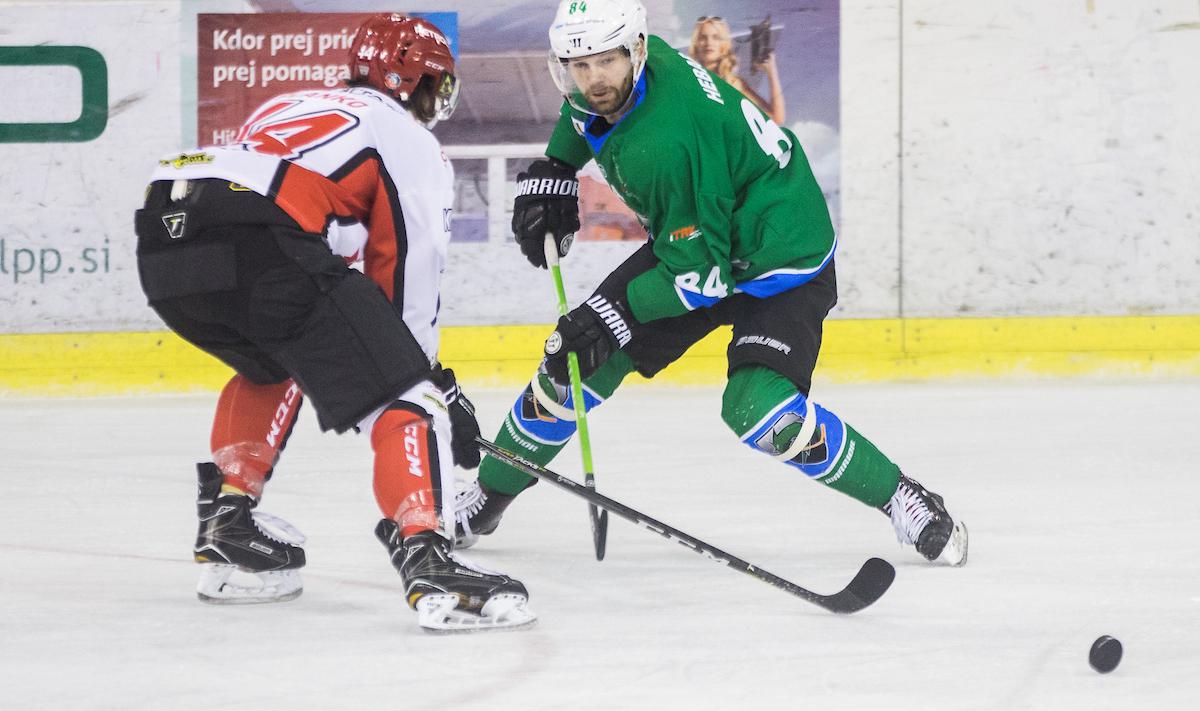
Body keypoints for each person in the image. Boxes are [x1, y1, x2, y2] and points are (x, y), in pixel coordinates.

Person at [452, 0, 968, 569]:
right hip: (701, 237)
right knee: (575, 364)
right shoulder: (631, 76)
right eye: (579, 64)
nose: (594, 78)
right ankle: (488, 496)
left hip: (779, 260)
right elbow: (584, 115)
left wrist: (609, 314)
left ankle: (901, 496)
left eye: (606, 61)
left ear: (636, 52)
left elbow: (700, 281)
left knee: (761, 411)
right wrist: (556, 166)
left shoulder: (671, 141)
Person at [133, 14, 534, 632]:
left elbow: (315, 242)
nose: (437, 102)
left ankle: (229, 521)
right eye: (436, 85)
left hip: (169, 228)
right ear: (415, 83)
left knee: (272, 359)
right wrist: (424, 381)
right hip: (257, 232)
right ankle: (430, 562)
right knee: (404, 388)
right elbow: (408, 269)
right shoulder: (406, 137)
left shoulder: (294, 104)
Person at [690, 15, 785, 125]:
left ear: (724, 43)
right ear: (696, 44)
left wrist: (771, 71)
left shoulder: (734, 83)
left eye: (716, 37)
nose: (709, 43)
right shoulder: (686, 78)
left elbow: (775, 118)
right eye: (703, 37)